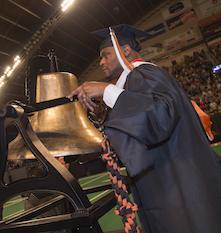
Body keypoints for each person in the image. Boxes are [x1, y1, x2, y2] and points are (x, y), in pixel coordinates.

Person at [68, 24, 221, 233]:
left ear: (126, 50)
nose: (101, 62)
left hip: (177, 185)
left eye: (106, 55)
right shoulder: (139, 80)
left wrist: (107, 90)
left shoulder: (143, 73)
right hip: (173, 179)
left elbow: (160, 115)